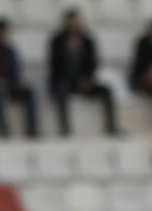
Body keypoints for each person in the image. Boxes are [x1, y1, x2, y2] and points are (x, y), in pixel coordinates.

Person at [49, 9, 117, 137]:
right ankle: (65, 128)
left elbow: (93, 63)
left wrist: (87, 79)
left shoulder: (87, 41)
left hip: (84, 81)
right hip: (65, 81)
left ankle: (111, 126)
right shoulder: (57, 41)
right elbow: (54, 66)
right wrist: (66, 51)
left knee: (106, 91)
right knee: (60, 91)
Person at [0, 19, 39, 139]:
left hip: (9, 85)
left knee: (29, 92)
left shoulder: (10, 51)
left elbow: (15, 72)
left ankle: (32, 130)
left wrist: (7, 81)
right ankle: (4, 132)